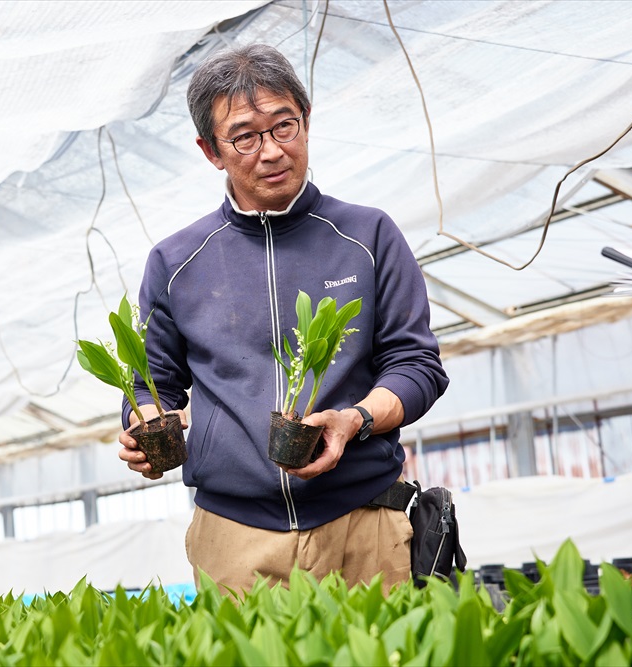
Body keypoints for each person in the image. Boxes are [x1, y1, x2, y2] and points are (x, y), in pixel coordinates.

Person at [118, 44, 448, 595]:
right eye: (245, 137)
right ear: (211, 151)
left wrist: (356, 419)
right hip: (234, 537)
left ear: (307, 120)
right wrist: (143, 424)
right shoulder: (177, 262)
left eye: (284, 127)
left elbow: (416, 365)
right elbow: (150, 382)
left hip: (364, 522)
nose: (270, 151)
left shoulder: (367, 237)